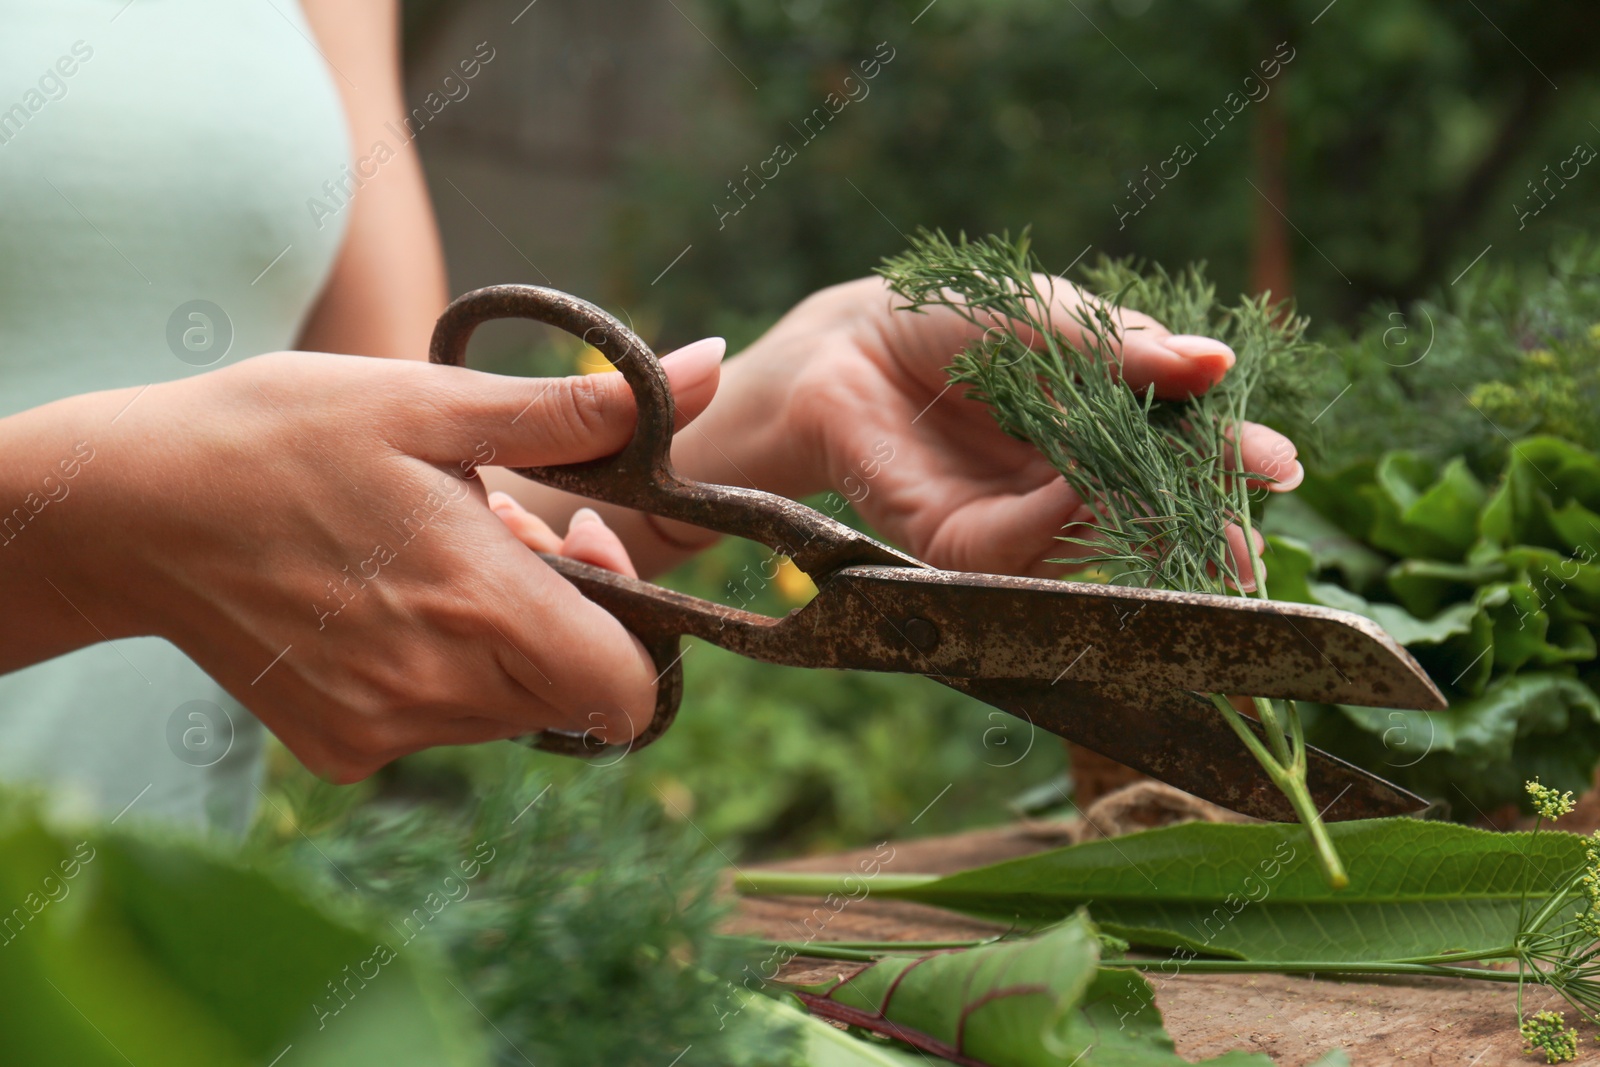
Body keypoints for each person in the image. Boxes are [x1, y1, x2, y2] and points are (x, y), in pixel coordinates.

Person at [0, 0, 1302, 831]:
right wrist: (80, 531)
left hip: (151, 987)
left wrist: (781, 402)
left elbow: (398, 498)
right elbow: (218, 507)